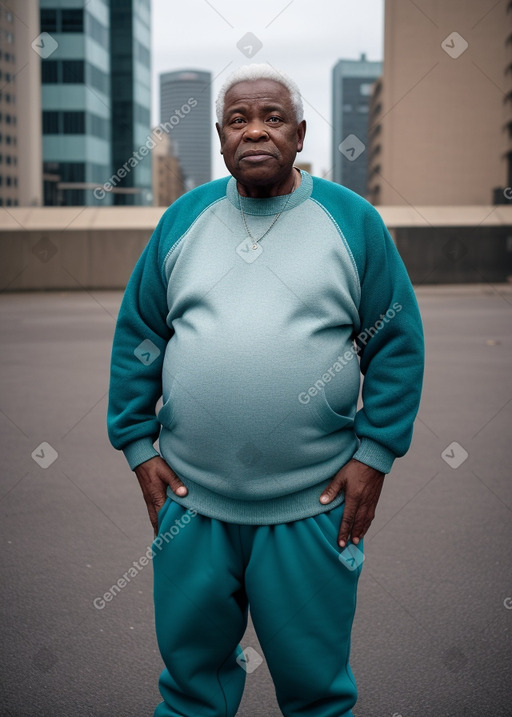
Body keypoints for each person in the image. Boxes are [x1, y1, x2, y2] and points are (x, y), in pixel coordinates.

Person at [107, 63, 424, 717]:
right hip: (192, 506)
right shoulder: (182, 220)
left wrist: (375, 453)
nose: (256, 130)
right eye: (239, 119)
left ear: (300, 134)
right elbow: (139, 334)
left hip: (312, 509)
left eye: (273, 117)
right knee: (192, 687)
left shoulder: (353, 221)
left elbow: (396, 344)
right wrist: (138, 444)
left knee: (316, 693)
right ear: (221, 138)